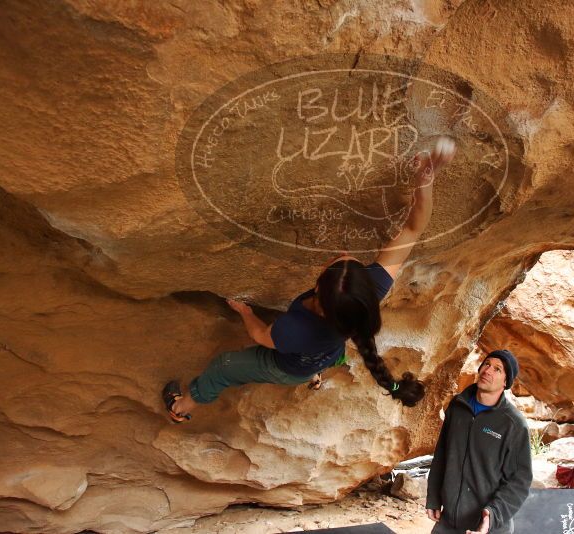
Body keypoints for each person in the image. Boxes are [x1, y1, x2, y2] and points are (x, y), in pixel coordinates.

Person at [162, 137, 456, 422]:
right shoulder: (370, 289)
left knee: (223, 367)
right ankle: (317, 372)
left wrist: (246, 312)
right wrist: (425, 181)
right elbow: (414, 228)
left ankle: (181, 407)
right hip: (327, 352)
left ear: (318, 290)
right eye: (348, 260)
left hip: (289, 366)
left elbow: (260, 337)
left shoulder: (294, 330)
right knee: (327, 354)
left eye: (338, 261)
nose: (342, 252)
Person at [426, 350, 533, 534]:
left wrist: (492, 516)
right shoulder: (458, 406)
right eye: (487, 364)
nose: (488, 371)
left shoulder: (513, 425)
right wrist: (434, 496)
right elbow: (442, 454)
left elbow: (519, 481)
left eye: (498, 369)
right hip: (449, 522)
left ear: (506, 382)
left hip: (486, 527)